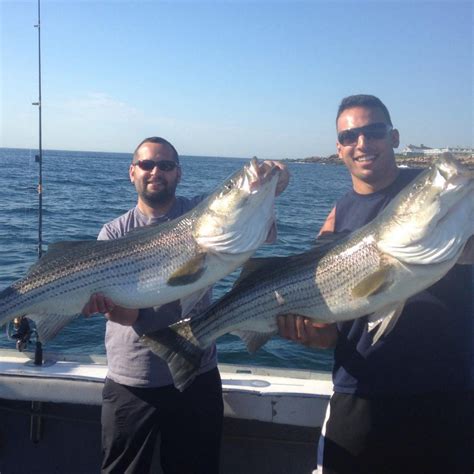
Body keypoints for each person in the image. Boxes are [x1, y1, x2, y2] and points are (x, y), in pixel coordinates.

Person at [278, 95, 473, 474]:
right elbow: (330, 335)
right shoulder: (337, 219)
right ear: (339, 149)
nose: (362, 143)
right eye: (350, 136)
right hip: (360, 396)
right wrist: (304, 332)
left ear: (394, 137)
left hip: (449, 393)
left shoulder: (445, 194)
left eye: (373, 131)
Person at [82, 136, 289, 474]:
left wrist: (276, 177)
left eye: (165, 165)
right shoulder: (114, 232)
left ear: (179, 173)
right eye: (147, 164)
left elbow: (251, 206)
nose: (155, 171)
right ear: (131, 172)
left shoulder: (200, 213)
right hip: (133, 380)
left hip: (197, 374)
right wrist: (109, 306)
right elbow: (129, 314)